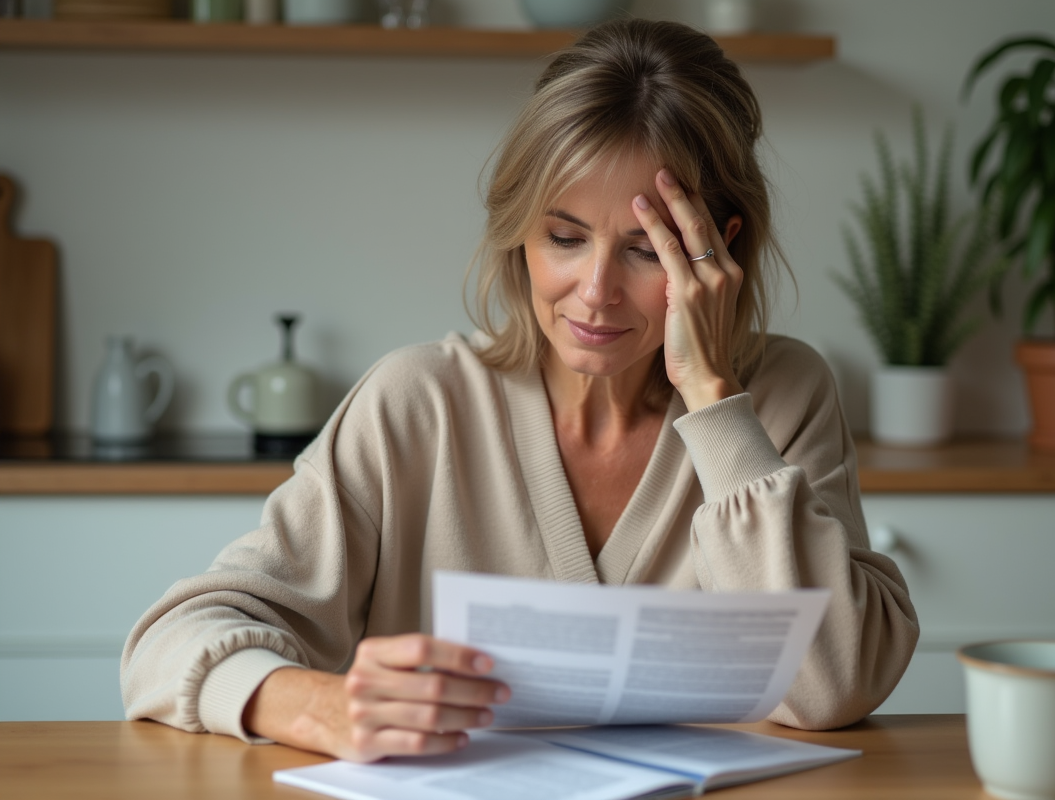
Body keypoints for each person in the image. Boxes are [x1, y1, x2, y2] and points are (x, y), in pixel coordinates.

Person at [121, 17, 919, 763]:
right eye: (564, 238)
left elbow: (833, 684)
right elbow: (167, 644)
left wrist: (713, 400)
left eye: (647, 249)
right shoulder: (416, 403)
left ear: (718, 248)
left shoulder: (782, 396)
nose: (595, 290)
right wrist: (317, 706)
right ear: (520, 232)